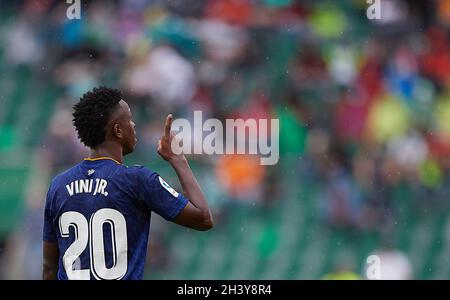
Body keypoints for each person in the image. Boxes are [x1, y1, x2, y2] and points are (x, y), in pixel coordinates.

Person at [42, 87, 213, 280]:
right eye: (129, 119)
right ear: (117, 130)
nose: (133, 125)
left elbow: (49, 267)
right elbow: (203, 218)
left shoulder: (58, 185)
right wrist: (178, 160)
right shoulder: (137, 179)